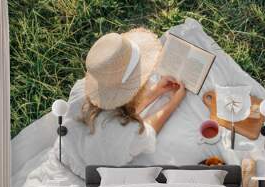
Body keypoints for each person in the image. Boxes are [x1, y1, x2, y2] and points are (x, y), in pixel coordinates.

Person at [59, 28, 186, 178]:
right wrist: (174, 103)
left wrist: (155, 91)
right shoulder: (128, 131)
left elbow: (117, 108)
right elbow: (148, 132)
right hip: (96, 179)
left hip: (66, 156)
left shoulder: (80, 89)